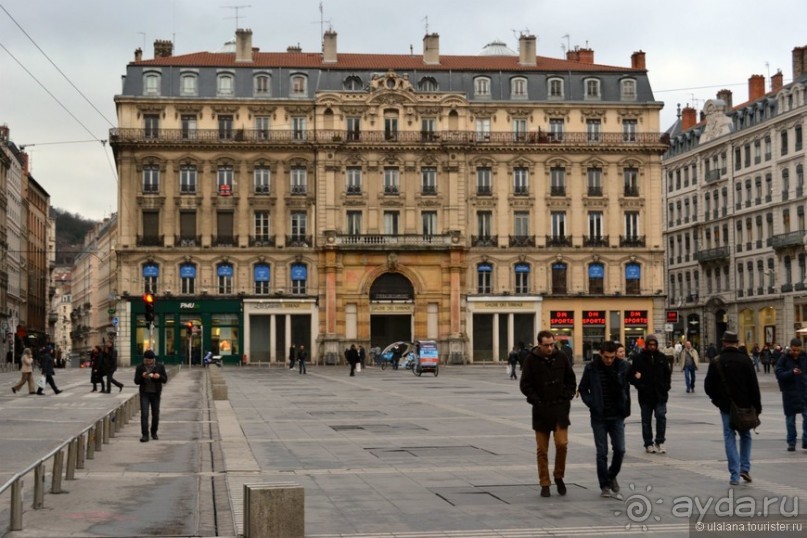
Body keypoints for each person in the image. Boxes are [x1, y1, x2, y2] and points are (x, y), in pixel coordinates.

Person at [520, 330, 577, 498]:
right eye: (546, 345)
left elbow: (571, 380)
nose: (550, 348)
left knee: (562, 444)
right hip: (541, 410)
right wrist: (536, 400)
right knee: (542, 450)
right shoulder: (531, 360)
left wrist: (567, 396)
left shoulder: (562, 358)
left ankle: (559, 476)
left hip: (559, 408)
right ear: (539, 344)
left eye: (552, 344)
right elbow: (525, 385)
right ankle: (544, 482)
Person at [704, 331, 762, 485]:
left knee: (729, 437)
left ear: (723, 343)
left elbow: (708, 386)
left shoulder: (716, 361)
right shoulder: (745, 360)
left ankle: (734, 475)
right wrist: (757, 407)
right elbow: (754, 387)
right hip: (745, 406)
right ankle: (745, 468)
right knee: (745, 435)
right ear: (737, 343)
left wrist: (718, 401)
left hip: (726, 407)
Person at [578, 341, 630, 497]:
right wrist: (591, 403)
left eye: (612, 357)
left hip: (617, 415)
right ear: (600, 354)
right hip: (599, 416)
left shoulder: (622, 366)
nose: (609, 360)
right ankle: (604, 485)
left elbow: (632, 383)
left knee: (620, 449)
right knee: (602, 452)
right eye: (606, 357)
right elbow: (582, 388)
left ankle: (611, 474)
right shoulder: (591, 368)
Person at [628, 334, 671, 454]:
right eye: (650, 344)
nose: (652, 347)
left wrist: (666, 387)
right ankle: (648, 443)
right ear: (646, 345)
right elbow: (632, 376)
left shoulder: (662, 357)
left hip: (660, 394)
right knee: (646, 420)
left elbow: (667, 374)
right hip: (645, 395)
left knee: (661, 417)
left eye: (654, 345)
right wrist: (640, 386)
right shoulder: (639, 358)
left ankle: (660, 441)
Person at [774, 338, 807, 451]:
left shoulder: (804, 358)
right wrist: (791, 373)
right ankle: (791, 442)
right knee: (790, 420)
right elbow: (779, 373)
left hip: (804, 392)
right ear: (790, 348)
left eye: (798, 350)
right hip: (789, 394)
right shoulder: (784, 359)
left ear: (801, 348)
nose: (796, 352)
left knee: (806, 417)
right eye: (794, 350)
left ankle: (806, 441)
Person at [134, 350, 168, 442]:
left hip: (155, 393)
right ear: (144, 359)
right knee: (144, 414)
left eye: (150, 361)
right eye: (147, 360)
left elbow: (165, 379)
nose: (148, 362)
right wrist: (142, 377)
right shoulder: (140, 367)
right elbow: (136, 381)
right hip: (144, 393)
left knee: (155, 414)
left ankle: (154, 432)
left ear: (153, 360)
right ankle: (145, 434)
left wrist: (159, 377)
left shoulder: (159, 366)